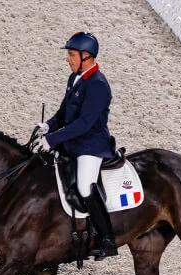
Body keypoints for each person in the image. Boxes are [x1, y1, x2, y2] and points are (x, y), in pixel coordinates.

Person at [35, 31, 118, 261]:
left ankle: (107, 240)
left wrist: (53, 139)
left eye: (71, 54)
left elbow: (84, 123)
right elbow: (63, 112)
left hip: (91, 145)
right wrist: (48, 126)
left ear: (86, 56)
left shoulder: (99, 85)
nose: (68, 59)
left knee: (84, 186)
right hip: (72, 141)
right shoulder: (75, 78)